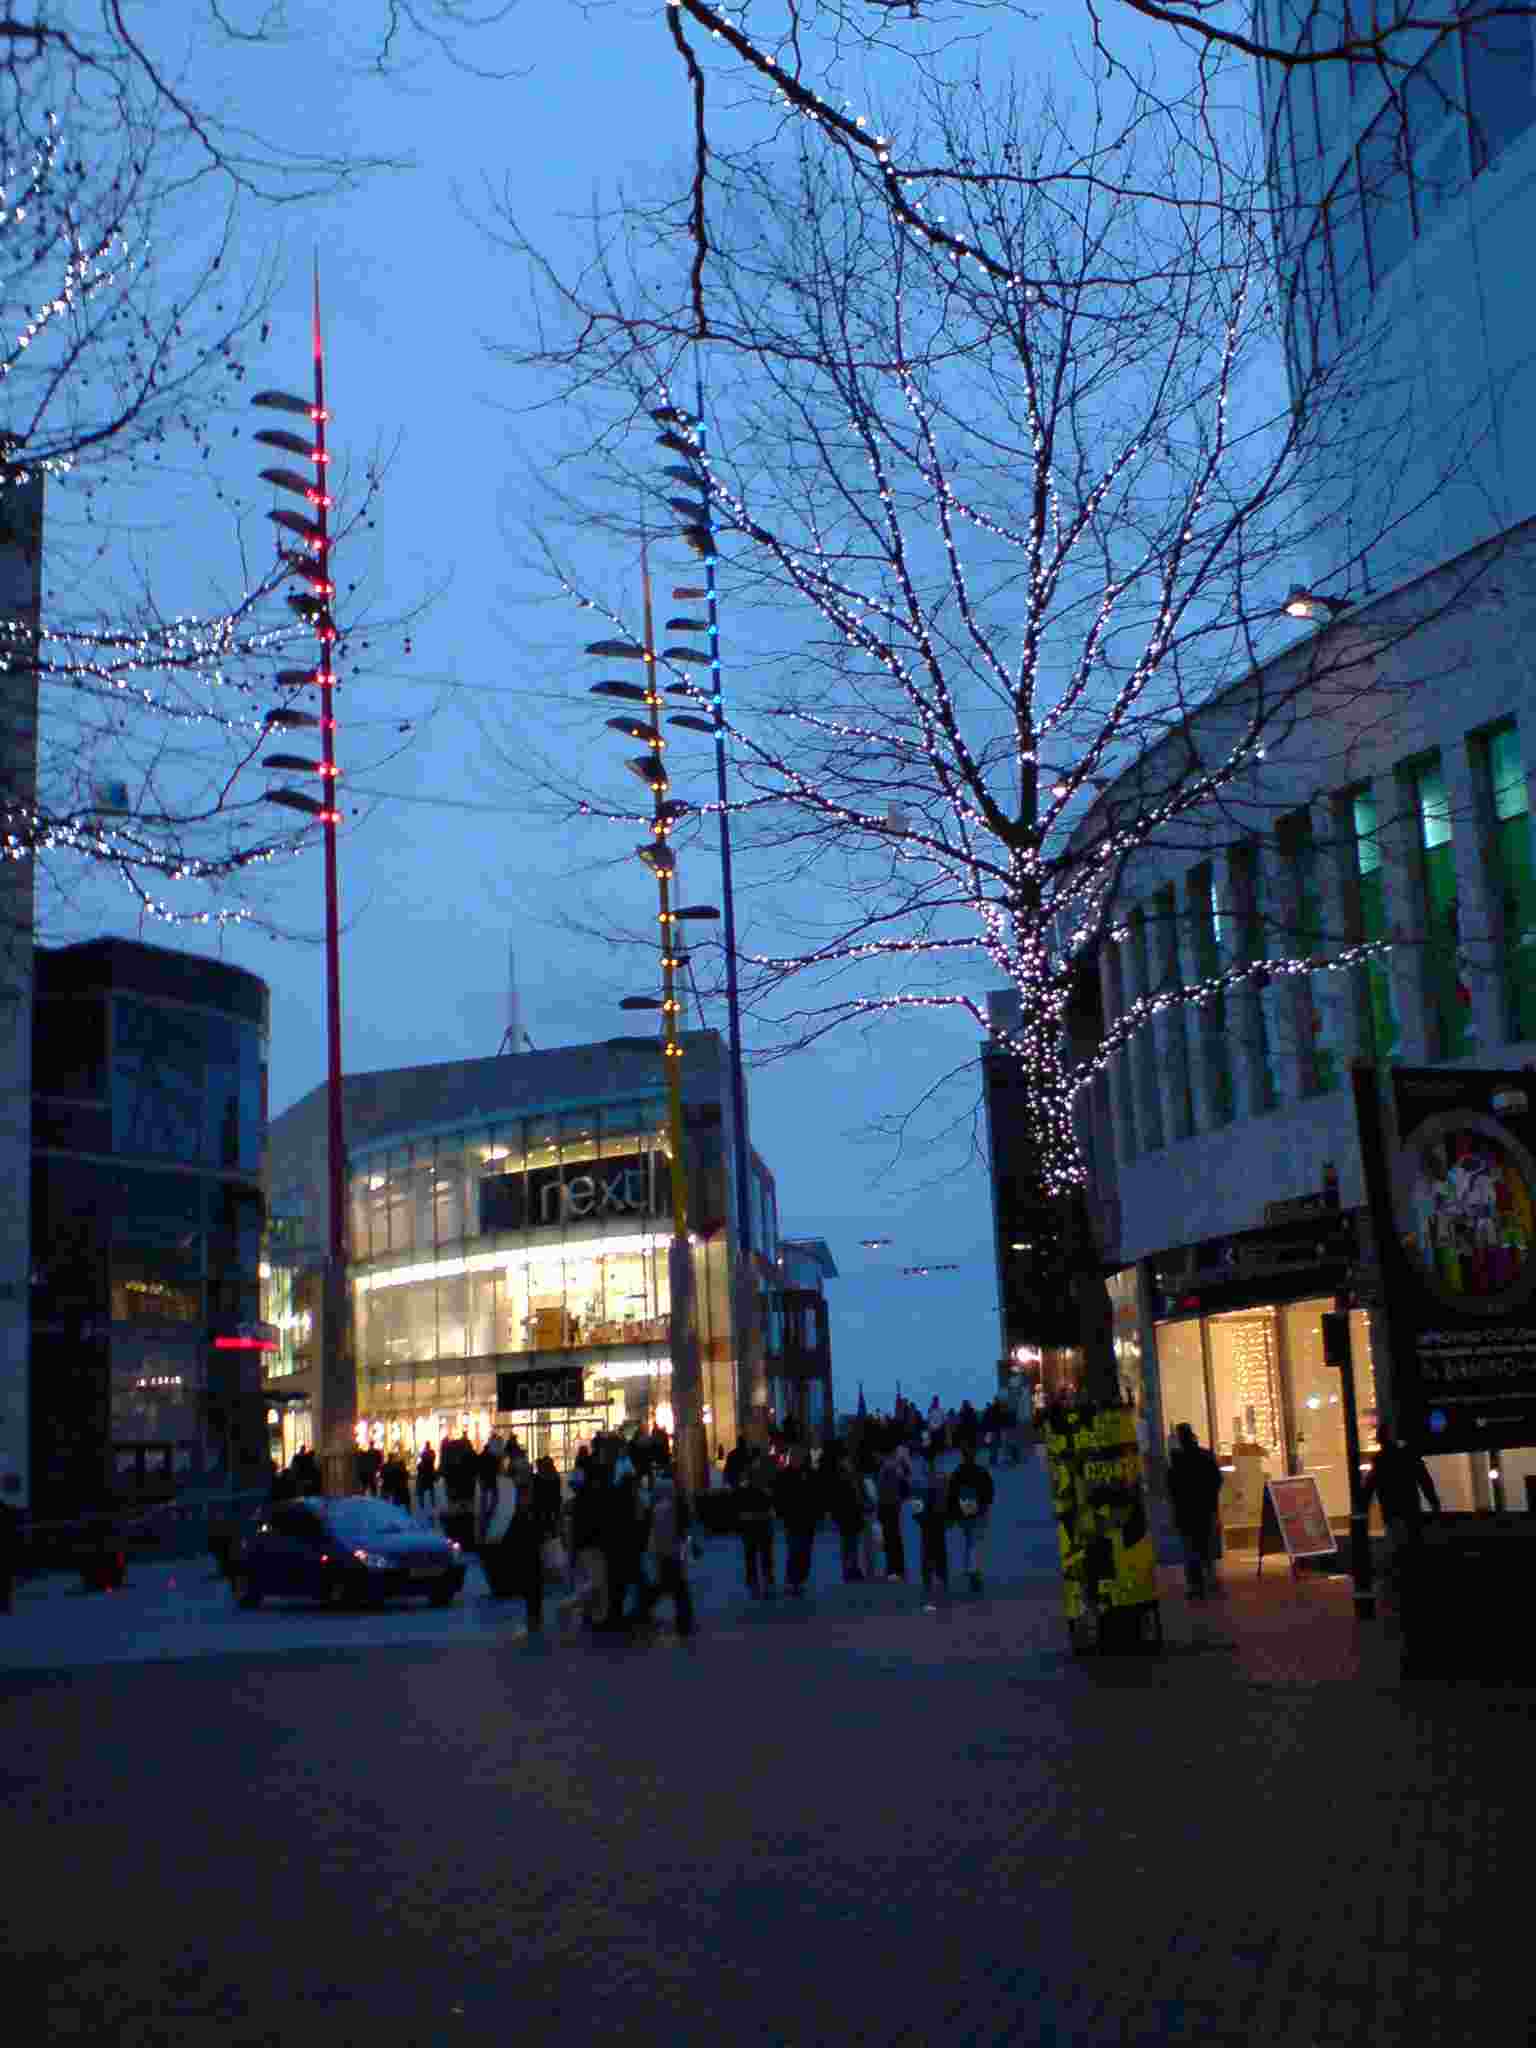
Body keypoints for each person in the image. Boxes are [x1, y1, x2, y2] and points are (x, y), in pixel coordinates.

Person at [1361, 1431, 1442, 1605]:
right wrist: (1434, 1503)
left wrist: (1363, 1510)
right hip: (1410, 1507)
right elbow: (1425, 1481)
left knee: (1398, 1543)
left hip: (1392, 1510)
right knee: (1414, 1542)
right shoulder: (1408, 1456)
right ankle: (1415, 1579)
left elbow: (1368, 1489)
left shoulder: (1380, 1461)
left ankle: (1402, 1580)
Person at [635, 1462, 696, 1637]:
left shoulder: (660, 1503)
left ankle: (645, 1610)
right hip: (669, 1551)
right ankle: (683, 1620)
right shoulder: (669, 1501)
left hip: (664, 1551)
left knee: (668, 1585)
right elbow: (676, 1528)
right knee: (675, 1586)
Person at [1165, 1422, 1224, 1599]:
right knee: (1206, 1545)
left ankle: (1195, 1585)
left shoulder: (1176, 1461)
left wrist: (1175, 1505)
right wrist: (1210, 1498)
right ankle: (1211, 1579)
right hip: (1205, 1508)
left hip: (1185, 1511)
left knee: (1190, 1548)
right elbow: (1217, 1480)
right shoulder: (1205, 1455)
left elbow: (1171, 1488)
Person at [946, 1439, 996, 1590]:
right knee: (975, 1542)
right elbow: (989, 1492)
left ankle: (971, 1568)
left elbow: (951, 1494)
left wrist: (953, 1514)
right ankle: (973, 1571)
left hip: (963, 1512)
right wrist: (985, 1506)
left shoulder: (957, 1472)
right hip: (978, 1511)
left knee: (970, 1540)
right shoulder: (981, 1471)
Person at [774, 1443, 821, 1597]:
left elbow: (816, 1494)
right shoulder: (785, 1475)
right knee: (795, 1549)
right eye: (794, 1457)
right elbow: (780, 1496)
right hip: (792, 1520)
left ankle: (800, 1579)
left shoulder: (810, 1473)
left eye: (798, 1457)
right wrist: (782, 1512)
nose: (796, 1459)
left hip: (808, 1520)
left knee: (805, 1550)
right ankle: (793, 1580)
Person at [914, 1441, 951, 1610]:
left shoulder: (920, 1479)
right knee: (940, 1552)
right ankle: (943, 1586)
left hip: (926, 1522)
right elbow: (946, 1500)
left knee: (927, 1555)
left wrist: (919, 1518)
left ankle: (929, 1589)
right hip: (939, 1520)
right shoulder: (942, 1476)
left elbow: (916, 1506)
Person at [736, 1452, 777, 1597]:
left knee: (759, 1553)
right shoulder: (750, 1476)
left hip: (758, 1519)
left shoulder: (757, 1476)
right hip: (754, 1519)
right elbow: (741, 1496)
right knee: (756, 1553)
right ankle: (760, 1583)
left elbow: (741, 1495)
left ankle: (762, 1583)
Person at [876, 1443, 911, 1582]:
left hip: (888, 1505)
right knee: (894, 1537)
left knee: (891, 1538)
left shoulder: (887, 1467)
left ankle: (893, 1568)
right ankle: (897, 1567)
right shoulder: (894, 1466)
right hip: (894, 1505)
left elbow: (883, 1490)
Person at [477, 1435, 504, 1539]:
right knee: (494, 1499)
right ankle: (487, 1516)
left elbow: (479, 1468)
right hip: (491, 1480)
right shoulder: (492, 1456)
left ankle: (484, 1519)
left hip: (485, 1480)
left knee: (486, 1500)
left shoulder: (482, 1456)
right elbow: (497, 1468)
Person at [415, 1442, 438, 1519]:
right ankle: (432, 1506)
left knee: (424, 1492)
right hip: (429, 1477)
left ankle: (423, 1507)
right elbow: (433, 1459)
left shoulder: (426, 1454)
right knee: (431, 1492)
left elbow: (419, 1468)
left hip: (425, 1478)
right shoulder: (430, 1454)